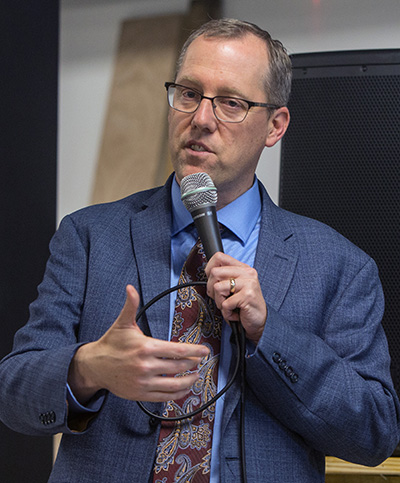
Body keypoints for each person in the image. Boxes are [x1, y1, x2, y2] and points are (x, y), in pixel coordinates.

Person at [0, 18, 399, 483]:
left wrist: (269, 332)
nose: (201, 119)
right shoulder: (90, 236)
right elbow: (14, 394)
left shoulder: (339, 266)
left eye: (230, 103)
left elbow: (374, 433)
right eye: (188, 93)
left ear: (275, 125)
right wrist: (89, 368)